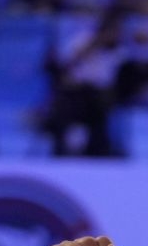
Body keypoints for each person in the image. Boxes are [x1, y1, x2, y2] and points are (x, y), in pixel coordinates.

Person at [46, 10, 127, 157]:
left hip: (100, 95)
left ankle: (100, 152)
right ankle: (62, 150)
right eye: (113, 32)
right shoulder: (82, 40)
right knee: (64, 104)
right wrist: (95, 44)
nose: (116, 36)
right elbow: (65, 65)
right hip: (75, 93)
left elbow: (111, 79)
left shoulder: (118, 50)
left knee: (103, 103)